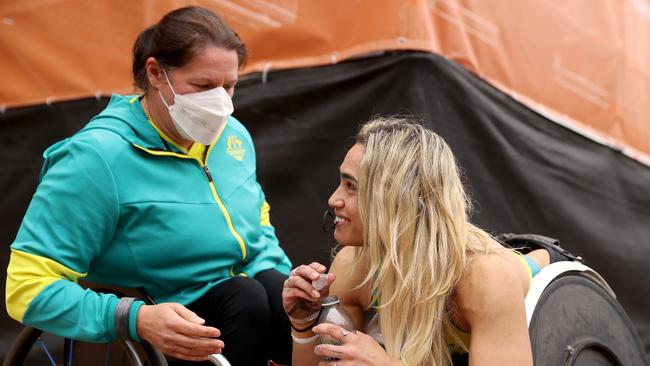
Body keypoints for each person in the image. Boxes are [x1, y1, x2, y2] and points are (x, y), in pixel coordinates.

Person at [5, 6, 291, 365]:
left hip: (241, 302)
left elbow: (257, 228)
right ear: (156, 73)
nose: (221, 103)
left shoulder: (233, 136)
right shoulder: (96, 158)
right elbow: (26, 288)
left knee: (302, 311)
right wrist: (133, 318)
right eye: (203, 86)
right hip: (163, 319)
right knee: (245, 299)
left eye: (230, 86)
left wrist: (290, 285)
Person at [282, 117, 570, 365]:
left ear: (394, 198)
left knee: (513, 265)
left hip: (540, 274)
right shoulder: (352, 265)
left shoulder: (485, 279)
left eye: (351, 186)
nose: (333, 199)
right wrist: (304, 324)